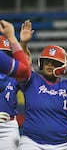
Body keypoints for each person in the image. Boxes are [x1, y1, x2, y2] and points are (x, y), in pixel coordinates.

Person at [18, 32, 67, 150]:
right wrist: (24, 43)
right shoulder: (32, 80)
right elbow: (23, 64)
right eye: (47, 62)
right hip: (32, 142)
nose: (49, 65)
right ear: (41, 63)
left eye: (54, 63)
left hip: (63, 144)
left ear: (61, 66)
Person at [0, 20, 31, 150]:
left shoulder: (13, 76)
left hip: (8, 125)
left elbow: (26, 72)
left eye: (8, 54)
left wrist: (23, 44)